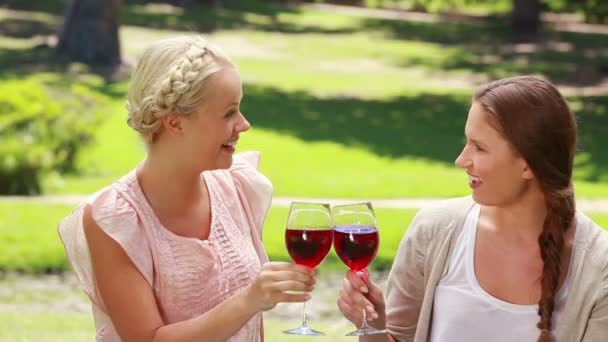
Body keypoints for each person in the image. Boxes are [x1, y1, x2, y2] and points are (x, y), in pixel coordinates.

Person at [58, 35, 316, 341]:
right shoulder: (114, 220)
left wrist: (255, 301)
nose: (244, 124)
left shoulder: (238, 187)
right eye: (228, 112)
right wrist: (249, 300)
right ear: (175, 123)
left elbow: (252, 329)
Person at [337, 76, 608, 342]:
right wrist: (373, 326)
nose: (461, 160)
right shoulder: (434, 230)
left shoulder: (599, 267)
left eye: (479, 147)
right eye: (467, 142)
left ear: (528, 164)